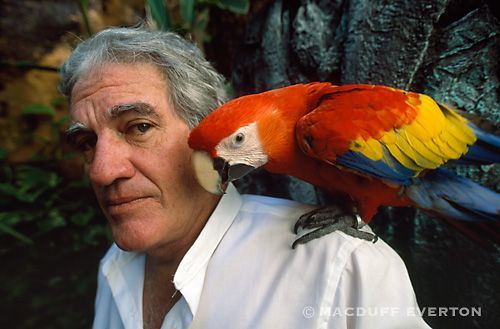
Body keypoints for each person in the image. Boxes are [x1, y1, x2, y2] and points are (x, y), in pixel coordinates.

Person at [59, 27, 431, 329]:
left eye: (139, 127)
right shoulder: (115, 268)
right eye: (86, 142)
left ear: (202, 132)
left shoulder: (341, 266)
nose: (103, 171)